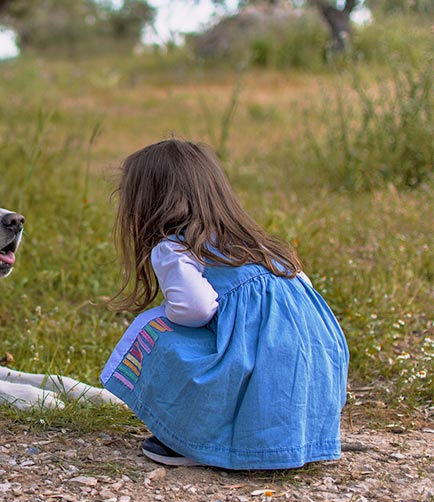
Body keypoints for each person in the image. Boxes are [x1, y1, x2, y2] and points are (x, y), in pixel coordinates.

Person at [101, 139, 349, 469]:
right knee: (252, 346)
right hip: (315, 365)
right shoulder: (257, 244)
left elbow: (196, 308)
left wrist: (170, 315)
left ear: (148, 204)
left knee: (154, 329)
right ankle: (292, 436)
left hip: (261, 366)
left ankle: (193, 439)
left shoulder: (175, 248)